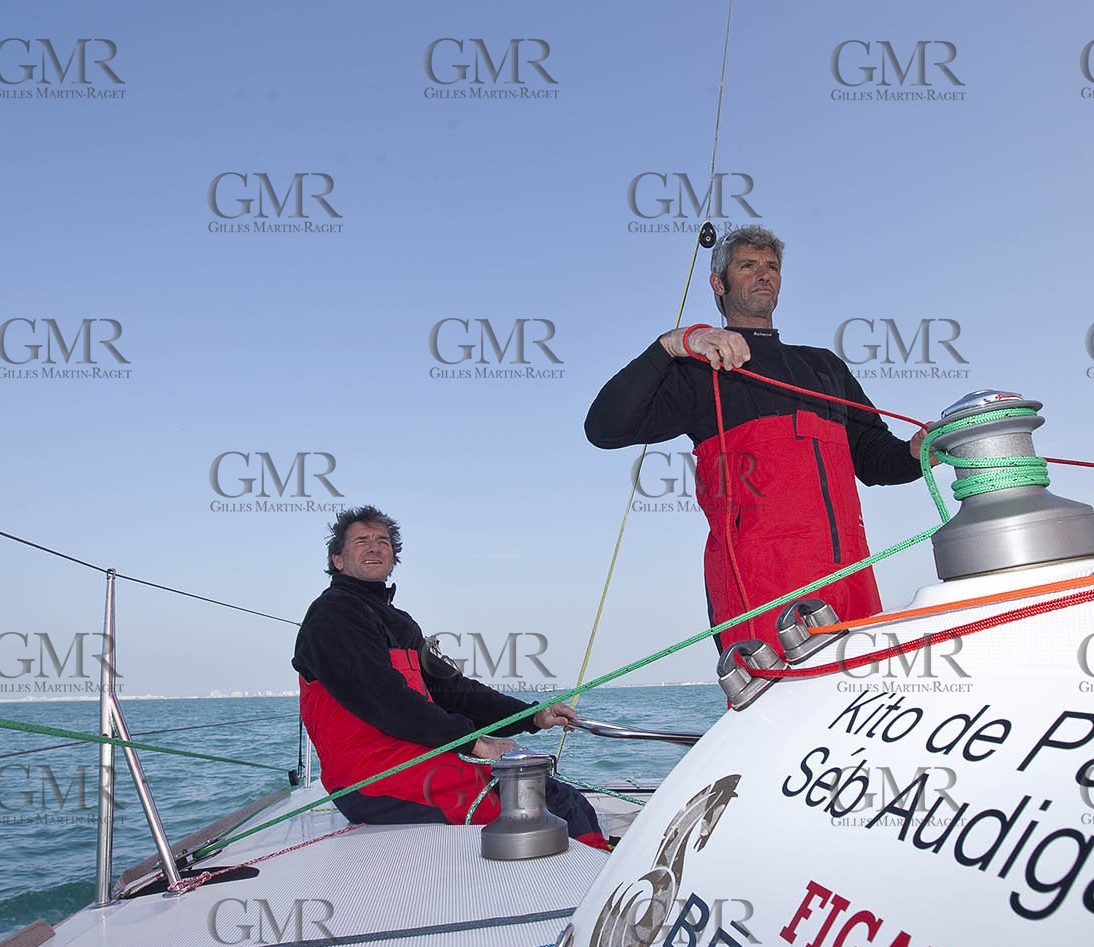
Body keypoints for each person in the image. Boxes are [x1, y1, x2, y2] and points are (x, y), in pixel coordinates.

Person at [585, 225, 927, 649]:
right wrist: (672, 345)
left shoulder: (825, 367)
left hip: (850, 575)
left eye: (772, 267)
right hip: (759, 589)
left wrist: (916, 452)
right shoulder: (701, 370)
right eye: (748, 266)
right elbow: (604, 427)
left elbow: (876, 460)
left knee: (859, 685)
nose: (764, 274)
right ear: (719, 284)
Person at [292, 505, 607, 848]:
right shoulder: (332, 615)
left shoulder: (398, 622)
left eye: (383, 541)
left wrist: (531, 715)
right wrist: (474, 742)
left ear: (393, 556)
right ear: (337, 559)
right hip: (369, 779)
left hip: (415, 761)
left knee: (555, 794)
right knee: (545, 801)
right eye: (361, 541)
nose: (374, 547)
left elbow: (453, 691)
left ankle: (599, 867)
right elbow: (385, 700)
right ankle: (597, 874)